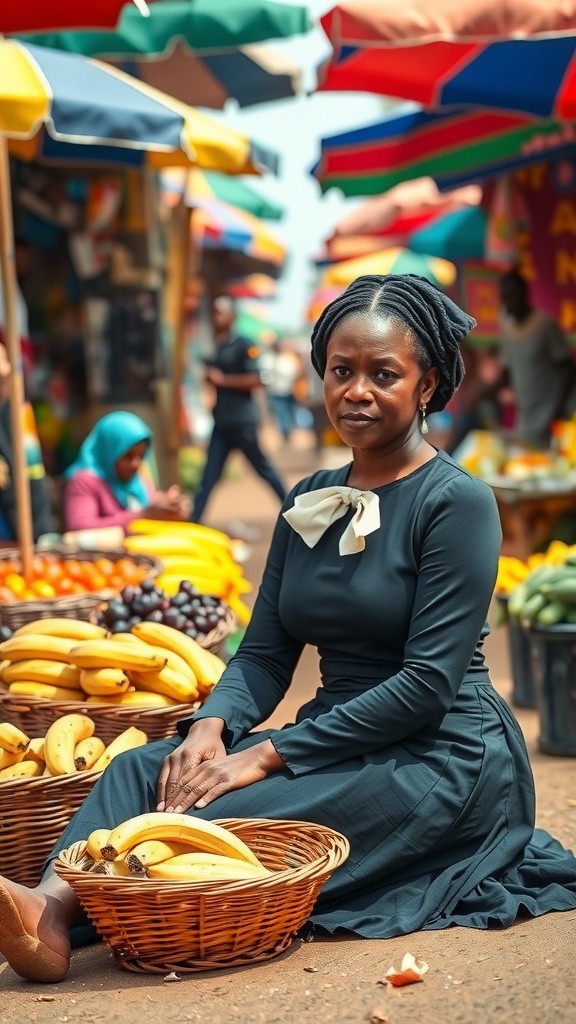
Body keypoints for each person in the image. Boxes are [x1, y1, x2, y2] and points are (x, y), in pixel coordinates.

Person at [2, 273, 576, 985]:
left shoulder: (456, 503)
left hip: (437, 754)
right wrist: (213, 728)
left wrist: (265, 757)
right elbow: (267, 652)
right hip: (340, 733)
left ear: (426, 384)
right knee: (144, 771)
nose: (356, 391)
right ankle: (51, 909)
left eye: (383, 374)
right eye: (341, 371)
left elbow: (427, 685)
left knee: (232, 816)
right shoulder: (309, 501)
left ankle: (73, 909)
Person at [191, 296, 287, 523]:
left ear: (232, 316)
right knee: (208, 476)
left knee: (263, 469)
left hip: (242, 421)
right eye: (214, 313)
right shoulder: (218, 344)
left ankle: (291, 509)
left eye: (221, 313)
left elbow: (259, 379)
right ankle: (194, 522)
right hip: (222, 422)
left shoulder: (245, 344)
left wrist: (223, 381)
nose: (216, 318)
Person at [62, 410, 190, 534]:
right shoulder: (84, 481)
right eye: (127, 456)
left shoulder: (137, 481)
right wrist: (142, 515)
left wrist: (170, 507)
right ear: (109, 451)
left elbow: (153, 505)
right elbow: (80, 528)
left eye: (141, 456)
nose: (135, 464)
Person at [498, 269, 576, 449]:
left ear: (525, 294)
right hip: (526, 416)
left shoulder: (544, 325)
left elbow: (568, 367)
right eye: (505, 296)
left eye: (513, 295)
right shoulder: (507, 328)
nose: (509, 301)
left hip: (552, 414)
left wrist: (559, 409)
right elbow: (507, 370)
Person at [0, 342, 54, 543]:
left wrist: (41, 533)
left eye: (3, 378)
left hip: (19, 530)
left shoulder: (19, 412)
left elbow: (34, 472)